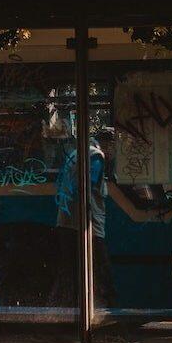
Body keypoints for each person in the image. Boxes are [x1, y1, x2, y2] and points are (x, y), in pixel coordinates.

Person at [54, 128, 117, 309]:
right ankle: (115, 320)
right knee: (103, 273)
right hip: (87, 226)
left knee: (69, 275)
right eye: (114, 147)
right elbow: (89, 187)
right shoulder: (96, 156)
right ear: (108, 144)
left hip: (67, 222)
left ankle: (59, 316)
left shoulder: (76, 153)